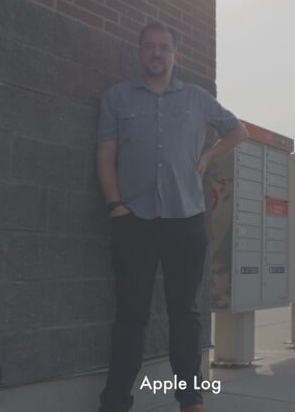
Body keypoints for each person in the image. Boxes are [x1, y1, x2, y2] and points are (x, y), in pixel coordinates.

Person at [95, 22, 248, 412]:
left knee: (186, 313)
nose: (157, 53)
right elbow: (105, 156)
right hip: (135, 221)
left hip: (186, 220)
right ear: (140, 52)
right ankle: (114, 402)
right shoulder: (117, 98)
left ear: (175, 55)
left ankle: (191, 399)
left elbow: (237, 131)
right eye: (150, 47)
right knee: (131, 314)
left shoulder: (197, 99)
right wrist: (116, 207)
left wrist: (208, 156)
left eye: (164, 47)